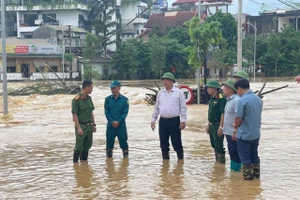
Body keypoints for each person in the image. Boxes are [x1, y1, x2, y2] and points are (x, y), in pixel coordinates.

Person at [151, 72, 187, 160]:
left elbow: (183, 108)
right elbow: (157, 107)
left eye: (166, 80)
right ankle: (165, 163)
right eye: (163, 80)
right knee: (163, 143)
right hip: (163, 121)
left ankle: (180, 161)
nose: (164, 82)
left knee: (176, 142)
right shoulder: (160, 93)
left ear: (172, 81)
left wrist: (183, 121)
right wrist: (153, 119)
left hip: (174, 121)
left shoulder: (178, 93)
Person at [233, 78, 263, 180]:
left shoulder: (242, 101)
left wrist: (235, 127)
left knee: (245, 159)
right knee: (254, 156)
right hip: (255, 134)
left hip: (244, 135)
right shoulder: (258, 99)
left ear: (240, 89)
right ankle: (256, 178)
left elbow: (238, 118)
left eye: (237, 90)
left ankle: (248, 181)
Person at [71, 80, 96, 162]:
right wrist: (78, 128)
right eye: (91, 87)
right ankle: (75, 166)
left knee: (87, 146)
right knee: (79, 147)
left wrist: (94, 124)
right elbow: (74, 115)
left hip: (89, 126)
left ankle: (84, 167)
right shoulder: (76, 100)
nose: (92, 89)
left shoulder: (89, 99)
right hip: (81, 126)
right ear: (86, 87)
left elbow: (91, 112)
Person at [104, 80, 129, 158]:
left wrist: (118, 121)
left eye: (114, 88)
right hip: (111, 125)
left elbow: (125, 113)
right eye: (111, 88)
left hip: (121, 125)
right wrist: (112, 121)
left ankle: (125, 164)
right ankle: (109, 164)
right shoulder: (107, 99)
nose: (112, 90)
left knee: (124, 144)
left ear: (119, 88)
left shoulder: (125, 100)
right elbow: (106, 112)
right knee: (109, 145)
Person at [222, 79, 241, 171]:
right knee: (232, 153)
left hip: (234, 133)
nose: (223, 89)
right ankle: (233, 173)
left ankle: (237, 174)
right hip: (228, 132)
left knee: (235, 153)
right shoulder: (228, 100)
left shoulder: (236, 100)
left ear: (231, 89)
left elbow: (238, 116)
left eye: (225, 87)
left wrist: (235, 131)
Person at [206, 80, 226, 164]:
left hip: (217, 125)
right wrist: (208, 125)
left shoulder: (221, 99)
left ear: (215, 89)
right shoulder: (212, 98)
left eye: (209, 87)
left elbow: (223, 113)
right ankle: (217, 163)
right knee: (213, 144)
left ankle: (221, 163)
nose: (207, 89)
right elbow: (211, 113)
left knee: (218, 146)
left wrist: (221, 127)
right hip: (212, 125)